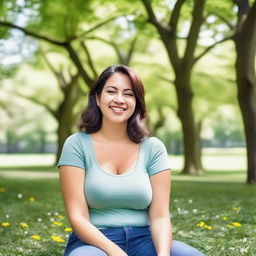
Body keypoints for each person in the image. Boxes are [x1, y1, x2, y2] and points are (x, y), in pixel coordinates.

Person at [58, 65, 205, 256]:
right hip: (94, 242)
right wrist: (115, 252)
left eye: (128, 94)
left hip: (145, 240)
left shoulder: (153, 148)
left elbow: (160, 216)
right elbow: (78, 217)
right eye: (111, 91)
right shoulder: (76, 144)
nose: (119, 99)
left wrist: (163, 254)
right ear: (97, 97)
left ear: (137, 102)